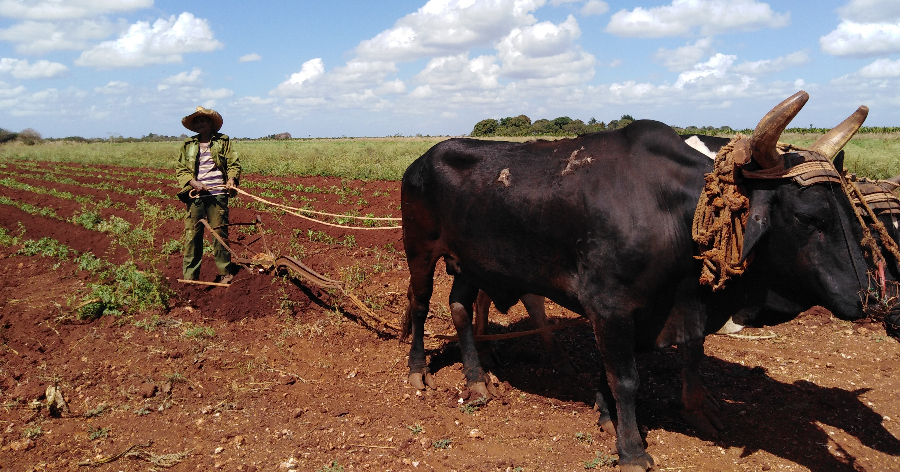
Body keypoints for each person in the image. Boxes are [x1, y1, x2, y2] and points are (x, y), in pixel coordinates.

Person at [175, 106, 241, 283]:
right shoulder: (188, 144)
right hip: (195, 196)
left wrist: (232, 179)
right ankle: (190, 277)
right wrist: (193, 182)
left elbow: (233, 163)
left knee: (219, 234)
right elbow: (181, 169)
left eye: (203, 120)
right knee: (193, 235)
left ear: (211, 123)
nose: (200, 123)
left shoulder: (223, 141)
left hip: (218, 194)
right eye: (196, 121)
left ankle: (225, 273)